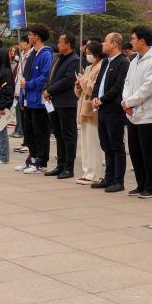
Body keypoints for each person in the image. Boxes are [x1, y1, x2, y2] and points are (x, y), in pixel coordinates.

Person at [122, 26, 152, 198]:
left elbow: (148, 89)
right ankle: (141, 185)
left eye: (133, 38)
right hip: (132, 113)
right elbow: (127, 83)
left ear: (142, 40)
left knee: (149, 153)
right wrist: (125, 102)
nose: (131, 41)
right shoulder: (134, 61)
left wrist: (130, 102)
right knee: (136, 152)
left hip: (148, 114)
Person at [91, 32, 131, 192]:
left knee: (116, 146)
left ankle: (118, 181)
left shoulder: (123, 62)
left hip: (114, 110)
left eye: (105, 41)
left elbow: (118, 87)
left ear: (114, 44)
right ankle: (108, 178)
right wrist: (95, 97)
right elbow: (98, 83)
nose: (102, 43)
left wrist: (102, 99)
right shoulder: (106, 61)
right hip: (102, 109)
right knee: (106, 145)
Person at [43, 32, 80, 179]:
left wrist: (50, 90)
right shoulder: (59, 58)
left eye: (60, 41)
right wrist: (47, 90)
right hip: (54, 101)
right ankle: (60, 165)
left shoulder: (74, 60)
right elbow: (50, 77)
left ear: (68, 44)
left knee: (68, 135)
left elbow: (68, 80)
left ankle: (69, 168)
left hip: (66, 102)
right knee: (58, 134)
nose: (58, 44)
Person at [19, 25, 53, 173]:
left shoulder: (46, 54)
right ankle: (32, 158)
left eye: (31, 35)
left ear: (38, 36)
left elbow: (45, 76)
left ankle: (41, 161)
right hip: (28, 98)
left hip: (39, 100)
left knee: (40, 132)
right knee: (29, 132)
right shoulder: (33, 53)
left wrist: (29, 84)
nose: (29, 37)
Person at [75, 41, 104, 184]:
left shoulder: (101, 66)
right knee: (85, 144)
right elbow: (80, 91)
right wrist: (78, 85)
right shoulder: (88, 68)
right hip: (83, 109)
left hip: (92, 110)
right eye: (86, 54)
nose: (87, 56)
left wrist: (83, 81)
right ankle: (86, 171)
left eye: (89, 53)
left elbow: (94, 89)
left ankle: (94, 173)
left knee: (93, 143)